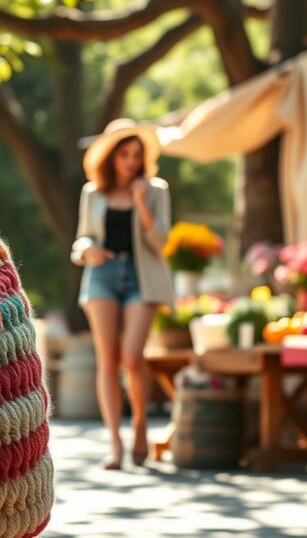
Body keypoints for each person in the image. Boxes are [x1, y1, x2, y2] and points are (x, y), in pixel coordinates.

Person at [72, 118, 175, 470]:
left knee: (132, 356)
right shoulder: (93, 192)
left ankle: (142, 427)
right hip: (101, 275)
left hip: (141, 277)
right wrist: (89, 250)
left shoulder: (156, 189)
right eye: (124, 154)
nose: (131, 161)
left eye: (136, 154)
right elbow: (82, 238)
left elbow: (160, 242)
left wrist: (142, 202)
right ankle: (115, 444)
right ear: (111, 157)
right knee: (108, 359)